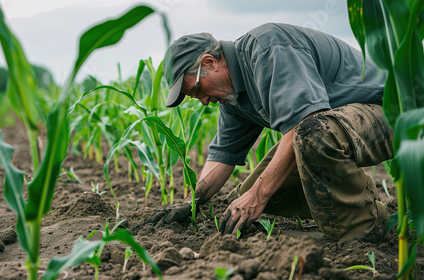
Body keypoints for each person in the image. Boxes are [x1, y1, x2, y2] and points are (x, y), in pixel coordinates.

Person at [149, 22, 393, 242]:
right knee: (247, 193)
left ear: (209, 62)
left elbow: (305, 121)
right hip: (337, 124)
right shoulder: (233, 97)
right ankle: (360, 201)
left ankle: (368, 226)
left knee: (311, 136)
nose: (203, 101)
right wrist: (192, 202)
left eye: (198, 90)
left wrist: (258, 196)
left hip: (392, 110)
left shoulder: (267, 49)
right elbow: (223, 155)